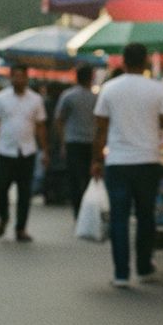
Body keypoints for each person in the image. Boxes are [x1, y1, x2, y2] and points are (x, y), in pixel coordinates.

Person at [91, 42, 163, 288]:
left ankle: (121, 274)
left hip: (117, 162)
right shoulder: (158, 89)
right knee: (146, 215)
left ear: (123, 61)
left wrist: (96, 160)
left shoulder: (109, 89)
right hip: (148, 161)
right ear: (146, 61)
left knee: (119, 219)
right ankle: (143, 267)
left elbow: (99, 130)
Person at [0, 63, 50, 242]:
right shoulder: (0, 99)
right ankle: (4, 217)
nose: (18, 79)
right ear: (11, 77)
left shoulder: (35, 100)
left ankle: (21, 228)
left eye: (21, 76)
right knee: (1, 188)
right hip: (5, 150)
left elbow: (40, 126)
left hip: (27, 151)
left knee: (24, 192)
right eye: (15, 76)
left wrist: (45, 150)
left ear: (26, 78)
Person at [54, 63, 97, 216]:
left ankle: (78, 211)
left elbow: (59, 119)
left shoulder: (68, 96)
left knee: (74, 178)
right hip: (91, 142)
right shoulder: (95, 97)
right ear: (91, 78)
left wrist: (63, 141)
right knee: (88, 177)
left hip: (73, 142)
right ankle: (87, 211)